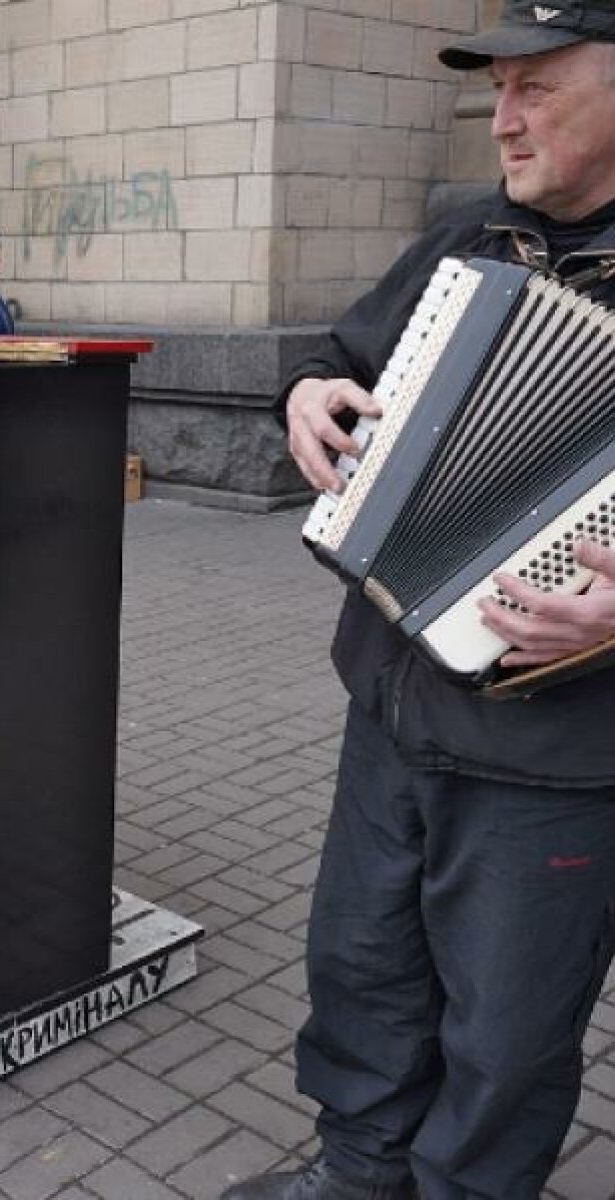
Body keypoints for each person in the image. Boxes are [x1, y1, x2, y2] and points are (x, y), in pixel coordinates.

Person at [224, 4, 615, 1198]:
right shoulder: (465, 241)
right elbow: (339, 358)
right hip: (389, 708)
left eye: (537, 88)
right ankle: (357, 1176)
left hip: (554, 751)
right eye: (497, 88)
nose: (502, 119)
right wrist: (304, 392)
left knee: (503, 1033)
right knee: (362, 969)